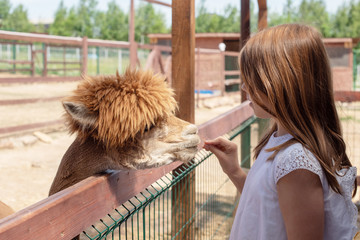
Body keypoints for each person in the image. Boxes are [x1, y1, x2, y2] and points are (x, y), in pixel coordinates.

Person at [203, 23, 358, 240]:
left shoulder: (296, 161)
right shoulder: (279, 141)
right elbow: (269, 205)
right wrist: (235, 171)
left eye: (251, 78)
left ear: (280, 84)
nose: (244, 87)